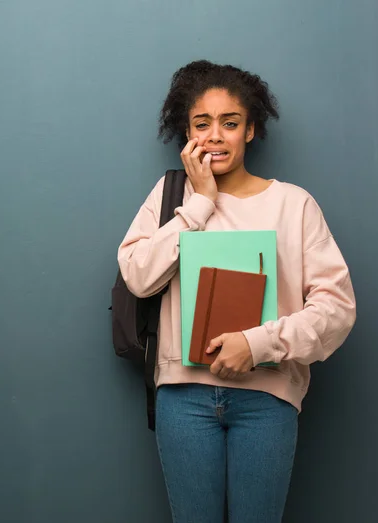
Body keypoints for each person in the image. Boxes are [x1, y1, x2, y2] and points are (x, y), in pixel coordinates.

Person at [117, 60, 356, 523]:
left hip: (266, 398)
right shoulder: (170, 197)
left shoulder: (293, 204)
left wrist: (258, 342)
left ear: (250, 130)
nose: (214, 136)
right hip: (182, 399)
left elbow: (336, 308)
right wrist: (199, 204)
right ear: (186, 131)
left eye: (230, 123)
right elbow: (140, 277)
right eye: (201, 124)